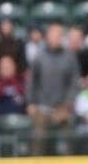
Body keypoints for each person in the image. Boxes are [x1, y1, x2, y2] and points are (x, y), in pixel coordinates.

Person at [26, 22, 80, 153]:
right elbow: (32, 81)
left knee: (69, 136)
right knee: (38, 135)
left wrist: (66, 105)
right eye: (54, 34)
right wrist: (31, 103)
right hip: (42, 106)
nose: (57, 37)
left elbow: (74, 83)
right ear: (48, 36)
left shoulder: (69, 56)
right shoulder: (39, 55)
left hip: (63, 107)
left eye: (59, 35)